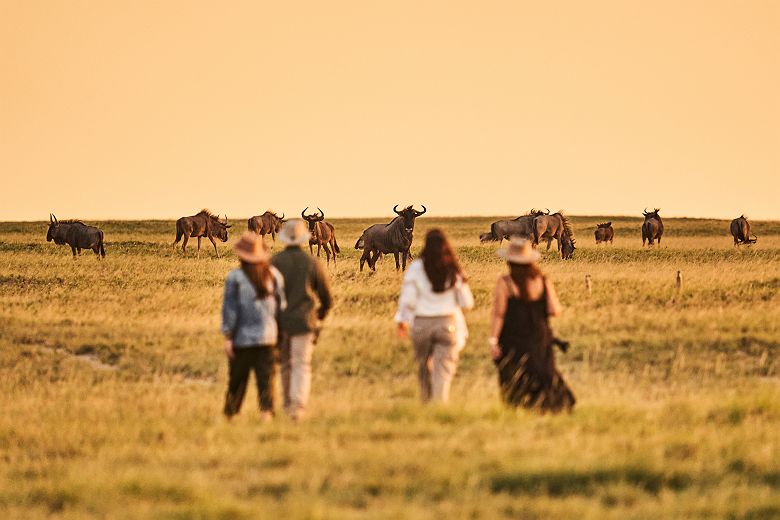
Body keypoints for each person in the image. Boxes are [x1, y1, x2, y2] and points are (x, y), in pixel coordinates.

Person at [489, 237, 575, 413]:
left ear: (510, 261)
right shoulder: (542, 281)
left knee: (516, 375)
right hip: (539, 336)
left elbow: (498, 314)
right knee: (543, 373)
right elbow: (554, 310)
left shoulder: (505, 283)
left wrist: (493, 340)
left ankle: (520, 410)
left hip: (513, 338)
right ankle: (548, 409)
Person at [395, 229, 474, 403]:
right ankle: (440, 402)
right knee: (443, 369)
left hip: (421, 324)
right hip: (447, 324)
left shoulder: (416, 267)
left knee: (423, 367)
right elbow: (467, 302)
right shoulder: (453, 267)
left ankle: (426, 401)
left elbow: (407, 299)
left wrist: (402, 321)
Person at [221, 232, 286, 420]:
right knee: (266, 380)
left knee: (237, 381)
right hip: (268, 337)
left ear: (241, 255)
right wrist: (280, 335)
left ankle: (230, 416)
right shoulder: (274, 275)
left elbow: (230, 311)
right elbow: (282, 308)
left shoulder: (235, 278)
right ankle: (266, 416)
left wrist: (228, 337)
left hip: (242, 339)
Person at [272, 219, 333, 420]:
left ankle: (287, 403)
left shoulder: (274, 262)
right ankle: (297, 408)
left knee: (285, 364)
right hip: (305, 322)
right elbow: (326, 296)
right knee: (301, 364)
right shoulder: (312, 262)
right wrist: (320, 313)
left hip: (280, 323)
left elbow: (266, 295)